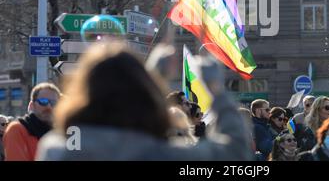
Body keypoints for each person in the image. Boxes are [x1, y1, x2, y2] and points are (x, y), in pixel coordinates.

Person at [36, 42, 253, 161]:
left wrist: (148, 77)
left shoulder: (56, 149)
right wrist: (216, 88)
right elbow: (235, 152)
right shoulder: (160, 154)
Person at [3, 83, 61, 161]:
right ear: (32, 105)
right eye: (43, 101)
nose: (48, 107)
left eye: (54, 103)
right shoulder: (17, 129)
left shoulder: (60, 133)